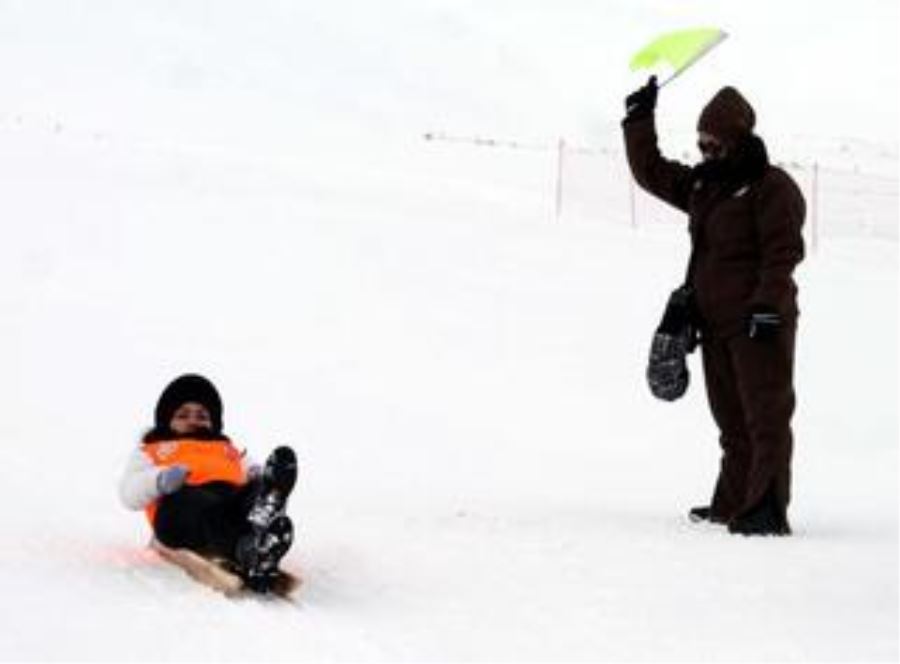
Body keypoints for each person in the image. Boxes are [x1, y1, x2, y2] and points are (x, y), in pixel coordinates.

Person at [622, 76, 805, 536]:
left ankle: (765, 508)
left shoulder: (771, 186)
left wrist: (767, 305)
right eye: (701, 144)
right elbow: (652, 173)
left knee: (765, 417)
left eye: (714, 144)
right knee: (731, 421)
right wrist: (639, 119)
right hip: (715, 323)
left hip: (758, 323)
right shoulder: (706, 187)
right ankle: (732, 503)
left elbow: (782, 253)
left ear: (738, 139)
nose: (705, 152)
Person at [119, 373, 298, 589]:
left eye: (202, 416)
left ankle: (264, 513)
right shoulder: (153, 450)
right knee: (190, 504)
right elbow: (129, 492)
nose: (193, 420)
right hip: (184, 506)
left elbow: (252, 469)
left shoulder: (228, 449)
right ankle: (249, 547)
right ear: (166, 421)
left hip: (231, 502)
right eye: (183, 415)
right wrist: (160, 480)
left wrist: (261, 481)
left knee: (255, 490)